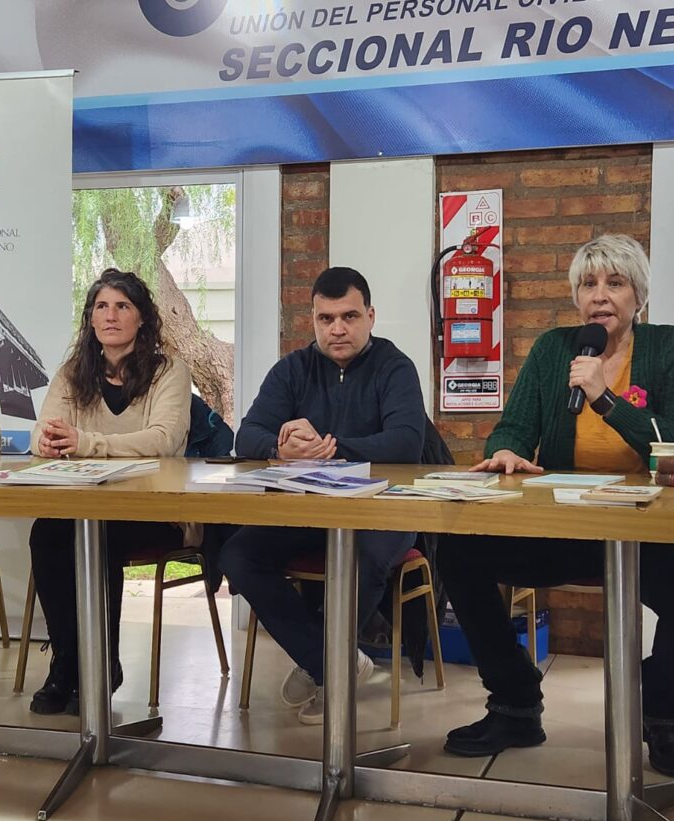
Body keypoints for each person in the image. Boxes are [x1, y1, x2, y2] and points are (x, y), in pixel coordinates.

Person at [438, 234, 674, 778]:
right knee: (458, 551)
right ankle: (515, 702)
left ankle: (661, 717)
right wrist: (505, 450)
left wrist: (605, 398)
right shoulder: (555, 350)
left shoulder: (670, 347)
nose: (600, 295)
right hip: (564, 526)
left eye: (615, 283)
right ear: (575, 297)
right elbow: (515, 428)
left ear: (637, 295)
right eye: (589, 284)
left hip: (647, 532)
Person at [219, 266, 425, 725]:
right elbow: (246, 435)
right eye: (325, 318)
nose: (337, 329)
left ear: (370, 316)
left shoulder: (395, 368)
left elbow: (407, 443)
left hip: (383, 510)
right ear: (311, 320)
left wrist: (328, 449)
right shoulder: (293, 369)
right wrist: (280, 447)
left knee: (361, 554)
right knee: (238, 555)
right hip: (306, 509)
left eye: (349, 316)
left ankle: (322, 665)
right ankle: (330, 663)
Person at [27, 269, 191, 715]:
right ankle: (68, 662)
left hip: (154, 509)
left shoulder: (169, 371)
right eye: (101, 306)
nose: (111, 315)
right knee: (47, 534)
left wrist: (87, 443)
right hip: (83, 504)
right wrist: (45, 441)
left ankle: (101, 663)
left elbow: (163, 440)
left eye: (123, 306)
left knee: (97, 538)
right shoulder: (71, 372)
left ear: (142, 319)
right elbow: (47, 428)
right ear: (90, 318)